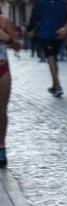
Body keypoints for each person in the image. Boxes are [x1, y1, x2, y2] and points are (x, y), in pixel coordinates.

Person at [27, 0, 67, 97]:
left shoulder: (40, 3)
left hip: (47, 34)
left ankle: (58, 85)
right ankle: (55, 85)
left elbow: (34, 17)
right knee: (54, 58)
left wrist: (29, 29)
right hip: (59, 34)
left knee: (51, 58)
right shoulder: (62, 3)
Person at [0, 13, 21, 168]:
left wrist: (6, 38)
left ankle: (1, 148)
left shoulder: (4, 21)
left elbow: (17, 46)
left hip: (2, 70)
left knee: (1, 111)